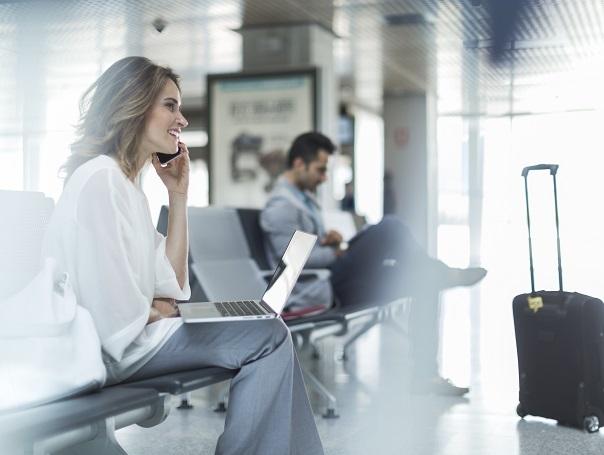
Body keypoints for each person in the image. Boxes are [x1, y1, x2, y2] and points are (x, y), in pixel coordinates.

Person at [42, 57, 324, 455]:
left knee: (268, 329)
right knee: (268, 335)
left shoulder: (126, 187)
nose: (183, 120)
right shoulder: (100, 180)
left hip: (133, 338)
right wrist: (153, 309)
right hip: (115, 350)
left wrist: (178, 196)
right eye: (170, 106)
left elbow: (172, 285)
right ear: (135, 106)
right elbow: (113, 314)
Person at [260, 131, 487, 396]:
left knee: (424, 278)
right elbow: (289, 266)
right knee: (391, 226)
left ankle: (426, 376)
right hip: (322, 288)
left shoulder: (302, 199)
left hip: (334, 277)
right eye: (320, 170)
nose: (324, 178)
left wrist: (329, 242)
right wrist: (336, 253)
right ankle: (446, 272)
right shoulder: (281, 207)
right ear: (299, 163)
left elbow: (306, 246)